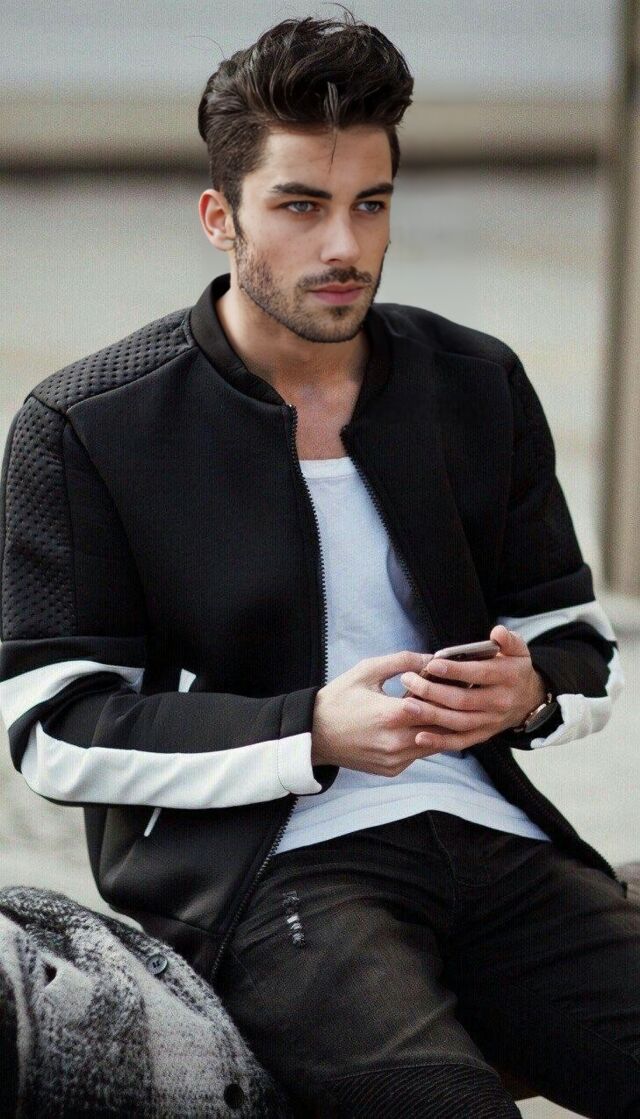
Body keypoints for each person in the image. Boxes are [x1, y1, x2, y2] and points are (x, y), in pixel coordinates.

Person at [0, 10, 638, 1117]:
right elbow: (52, 725)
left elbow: (575, 636)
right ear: (221, 216)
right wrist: (310, 732)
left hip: (492, 833)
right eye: (300, 206)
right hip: (276, 873)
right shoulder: (88, 425)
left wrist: (530, 690)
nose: (344, 247)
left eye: (370, 204)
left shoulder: (472, 381)